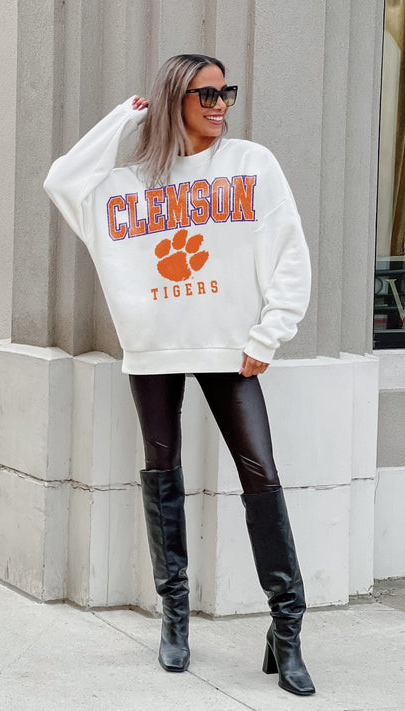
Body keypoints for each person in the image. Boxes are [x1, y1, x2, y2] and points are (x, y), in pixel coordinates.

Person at [44, 53, 314, 697]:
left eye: (226, 93)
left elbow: (289, 249)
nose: (220, 105)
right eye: (206, 95)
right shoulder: (129, 184)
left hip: (231, 347)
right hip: (155, 348)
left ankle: (287, 628)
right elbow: (62, 179)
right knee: (162, 472)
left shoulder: (252, 164)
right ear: (175, 101)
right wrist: (122, 119)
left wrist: (269, 333)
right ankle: (175, 616)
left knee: (261, 474)